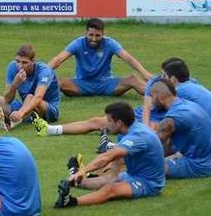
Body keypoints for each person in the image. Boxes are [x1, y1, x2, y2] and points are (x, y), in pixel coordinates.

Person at [33, 59, 211, 150]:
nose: (159, 78)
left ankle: (113, 147)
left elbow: (151, 101)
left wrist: (147, 124)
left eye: (163, 75)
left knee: (101, 123)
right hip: (193, 125)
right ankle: (50, 130)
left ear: (173, 79)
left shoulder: (177, 92)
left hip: (161, 118)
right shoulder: (193, 85)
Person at [55, 102, 165, 208]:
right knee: (105, 181)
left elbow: (107, 157)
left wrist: (84, 170)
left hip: (148, 183)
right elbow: (117, 157)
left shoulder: (137, 136)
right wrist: (113, 178)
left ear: (119, 123)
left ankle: (70, 202)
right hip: (132, 175)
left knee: (110, 190)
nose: (106, 124)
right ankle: (76, 180)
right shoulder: (127, 131)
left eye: (109, 121)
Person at [47, 18, 153, 97]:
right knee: (56, 81)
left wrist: (144, 73)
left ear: (103, 34)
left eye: (97, 35)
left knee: (133, 79)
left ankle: (160, 95)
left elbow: (128, 58)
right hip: (81, 85)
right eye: (91, 35)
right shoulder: (78, 43)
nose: (93, 39)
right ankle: (34, 99)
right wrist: (43, 73)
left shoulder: (110, 43)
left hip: (106, 84)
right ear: (86, 33)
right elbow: (58, 59)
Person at [148, 79, 211, 179]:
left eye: (152, 96)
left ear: (160, 98)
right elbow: (167, 144)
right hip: (206, 158)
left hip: (198, 165)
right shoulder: (188, 105)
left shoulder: (172, 118)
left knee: (146, 168)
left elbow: (153, 144)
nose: (151, 101)